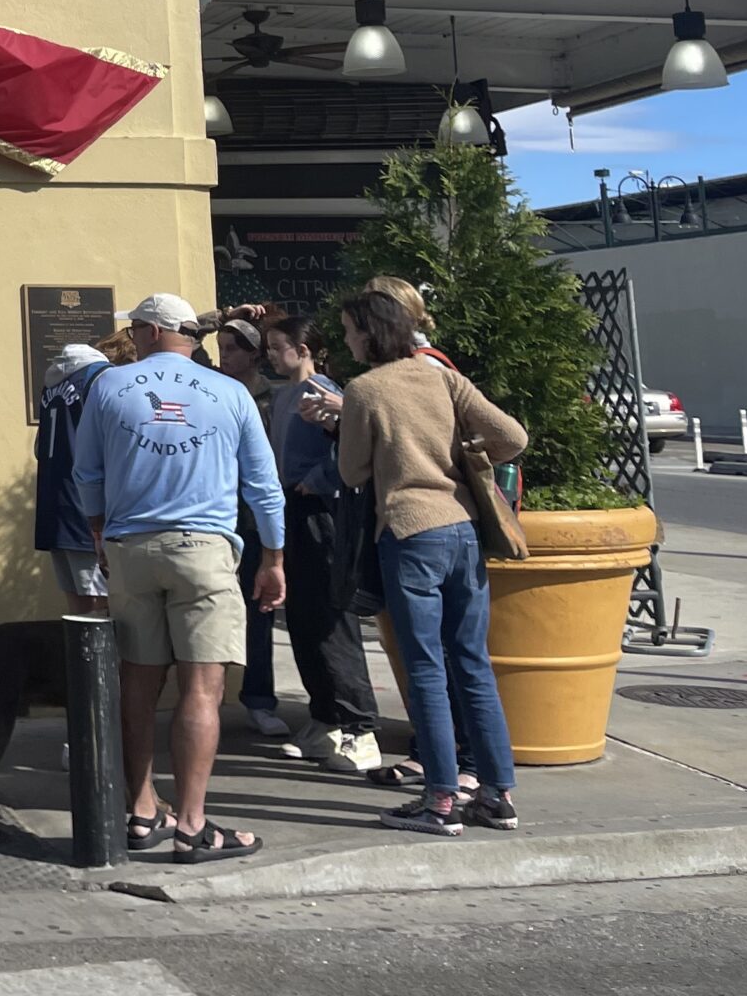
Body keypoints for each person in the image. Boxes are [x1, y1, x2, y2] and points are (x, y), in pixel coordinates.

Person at [72, 293, 285, 863]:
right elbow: (263, 485)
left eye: (137, 329)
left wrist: (99, 533)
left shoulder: (110, 387)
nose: (134, 338)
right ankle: (191, 823)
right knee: (201, 689)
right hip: (204, 549)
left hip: (132, 546)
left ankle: (141, 809)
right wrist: (273, 557)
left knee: (139, 680)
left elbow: (86, 472)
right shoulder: (232, 392)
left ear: (150, 330)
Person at [326, 288, 528, 837]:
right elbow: (512, 436)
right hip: (462, 527)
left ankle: (439, 799)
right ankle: (496, 794)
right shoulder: (439, 375)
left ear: (369, 334)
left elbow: (350, 473)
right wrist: (463, 453)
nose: (345, 340)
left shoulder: (365, 390)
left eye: (348, 330)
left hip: (410, 530)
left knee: (425, 668)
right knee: (472, 662)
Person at [262, 320, 383, 775]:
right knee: (303, 617)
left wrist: (317, 482)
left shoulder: (321, 391)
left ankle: (359, 726)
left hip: (319, 513)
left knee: (332, 618)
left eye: (279, 348)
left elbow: (351, 446)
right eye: (270, 348)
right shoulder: (284, 395)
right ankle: (325, 716)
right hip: (290, 508)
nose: (272, 356)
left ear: (304, 349)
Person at [213, 317, 290, 740]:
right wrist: (228, 311)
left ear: (254, 353)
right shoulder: (210, 389)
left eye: (233, 347)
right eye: (221, 346)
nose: (224, 355)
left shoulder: (271, 398)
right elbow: (187, 332)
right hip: (221, 517)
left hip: (257, 518)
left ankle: (260, 699)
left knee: (258, 613)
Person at [34, 341, 109, 609]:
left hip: (53, 506)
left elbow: (38, 447)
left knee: (76, 604)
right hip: (84, 509)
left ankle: (80, 653)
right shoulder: (98, 379)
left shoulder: (51, 384)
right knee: (100, 603)